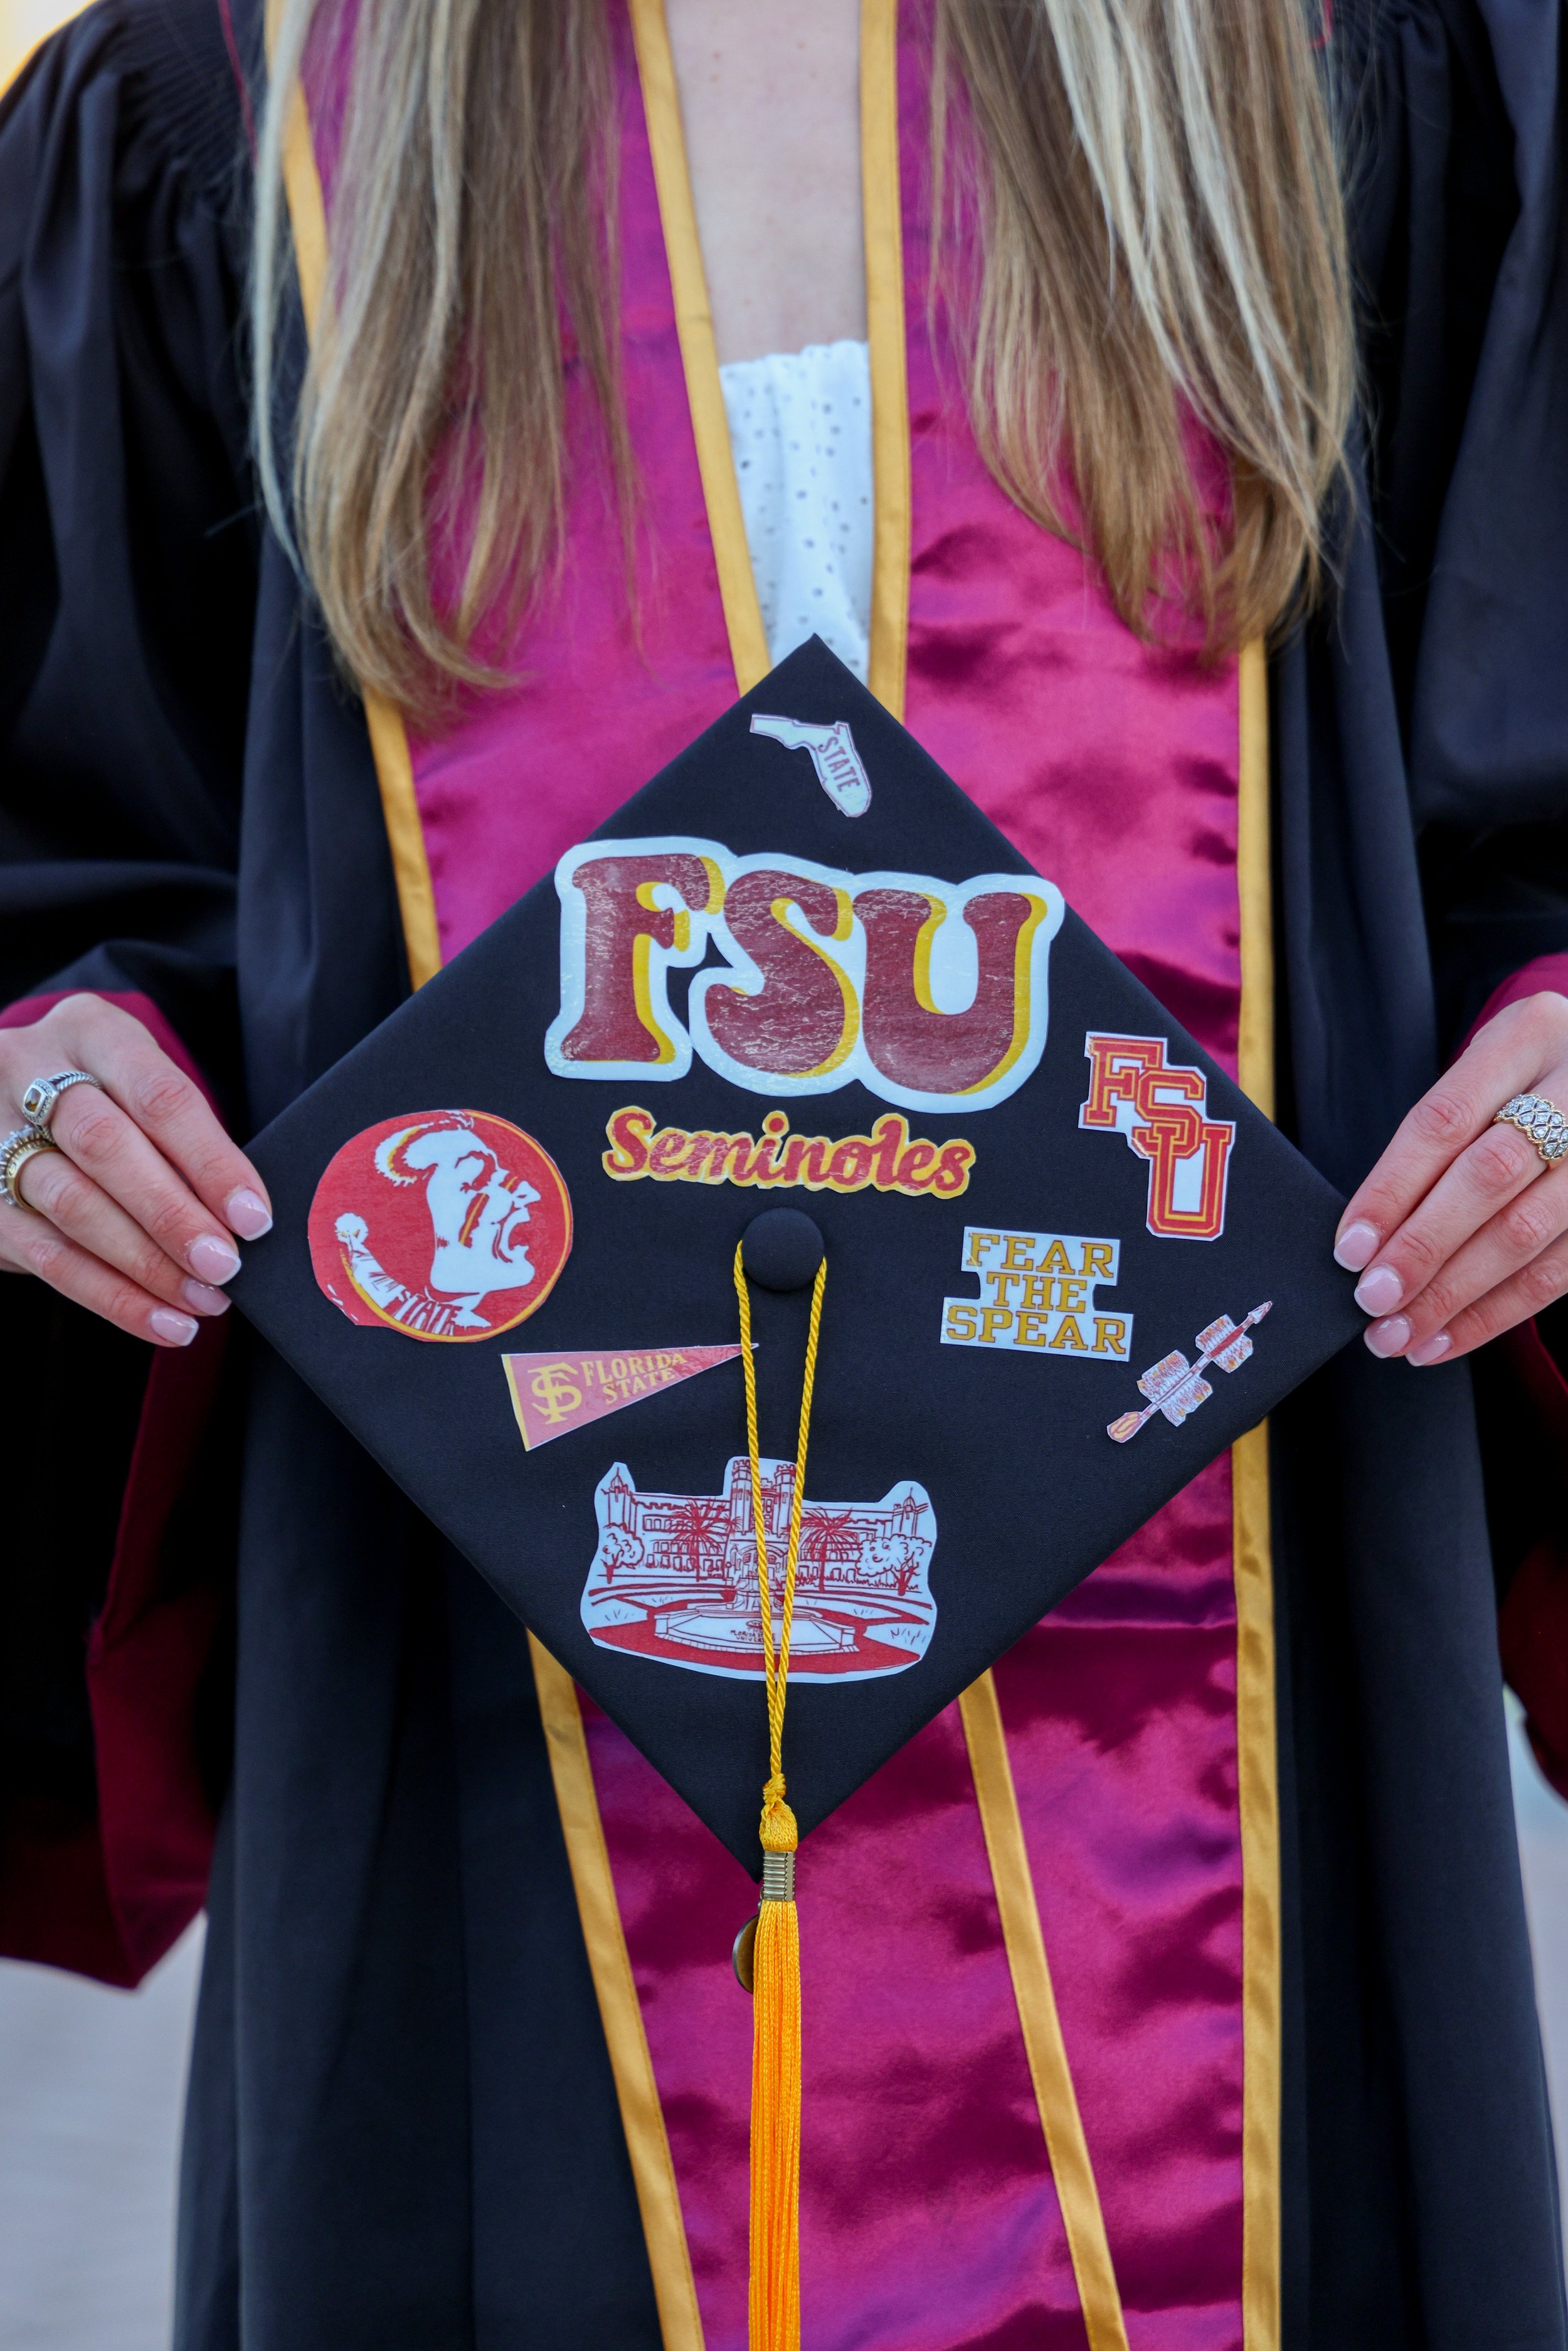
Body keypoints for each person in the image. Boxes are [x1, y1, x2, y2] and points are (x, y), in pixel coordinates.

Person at [1, 0, 1566, 2345]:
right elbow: (79, 848)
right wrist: (61, 1084)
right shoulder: (229, 108)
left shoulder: (1359, 65)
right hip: (504, 1809)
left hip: (1243, 1789)